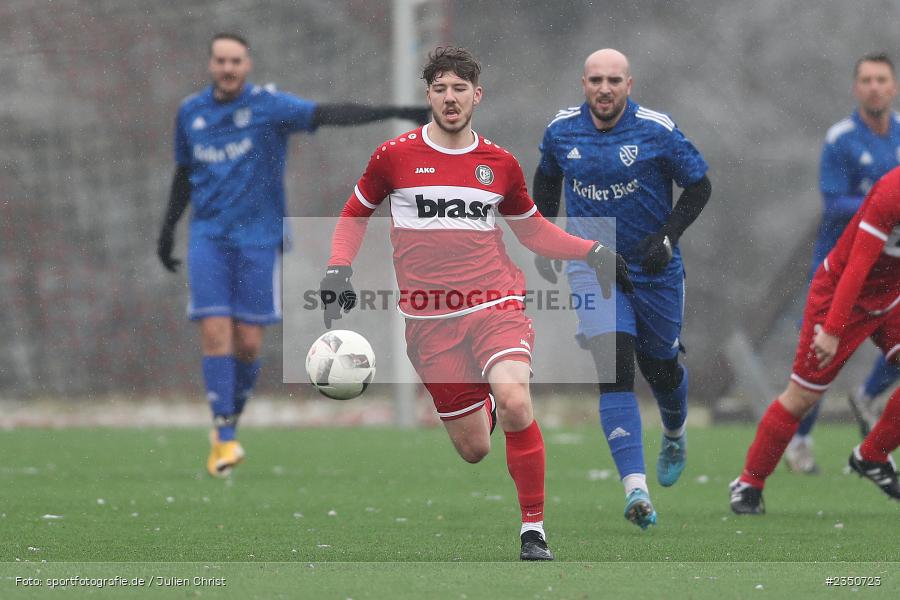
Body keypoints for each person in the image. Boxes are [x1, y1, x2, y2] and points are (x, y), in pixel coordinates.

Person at [319, 46, 632, 561]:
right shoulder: (393, 156)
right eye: (440, 89)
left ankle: (534, 530)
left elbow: (532, 231)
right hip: (429, 321)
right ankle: (482, 406)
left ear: (476, 96)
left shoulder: (499, 163)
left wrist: (592, 251)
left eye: (459, 89)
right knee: (474, 449)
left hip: (495, 302)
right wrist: (338, 268)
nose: (450, 98)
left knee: (515, 401)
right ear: (428, 96)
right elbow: (355, 214)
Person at [157, 33, 430, 478]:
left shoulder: (269, 107)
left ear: (248, 65)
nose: (228, 68)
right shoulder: (191, 112)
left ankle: (229, 418)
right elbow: (184, 173)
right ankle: (224, 435)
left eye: (235, 61)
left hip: (259, 240)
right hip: (208, 238)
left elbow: (329, 114)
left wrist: (398, 112)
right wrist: (167, 229)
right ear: (211, 64)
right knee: (215, 333)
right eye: (221, 60)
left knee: (248, 343)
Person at [532, 49, 711, 529]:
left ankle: (674, 432)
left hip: (655, 271)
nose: (604, 88)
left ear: (629, 85)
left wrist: (668, 236)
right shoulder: (561, 131)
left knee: (661, 368)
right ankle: (636, 490)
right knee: (614, 367)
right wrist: (544, 239)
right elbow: (546, 182)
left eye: (614, 80)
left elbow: (699, 186)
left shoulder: (657, 130)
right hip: (593, 268)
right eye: (596, 80)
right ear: (583, 84)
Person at [730, 166, 900, 514]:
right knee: (802, 398)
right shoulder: (892, 190)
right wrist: (833, 330)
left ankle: (872, 455)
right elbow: (856, 266)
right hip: (840, 297)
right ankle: (748, 484)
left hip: (890, 296)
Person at [785, 52, 900, 474]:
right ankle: (800, 440)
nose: (874, 87)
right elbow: (833, 203)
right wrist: (880, 205)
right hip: (840, 268)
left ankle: (867, 396)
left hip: (890, 271)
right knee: (819, 358)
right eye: (866, 80)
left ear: (893, 86)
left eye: (881, 79)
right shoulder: (841, 138)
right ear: (856, 88)